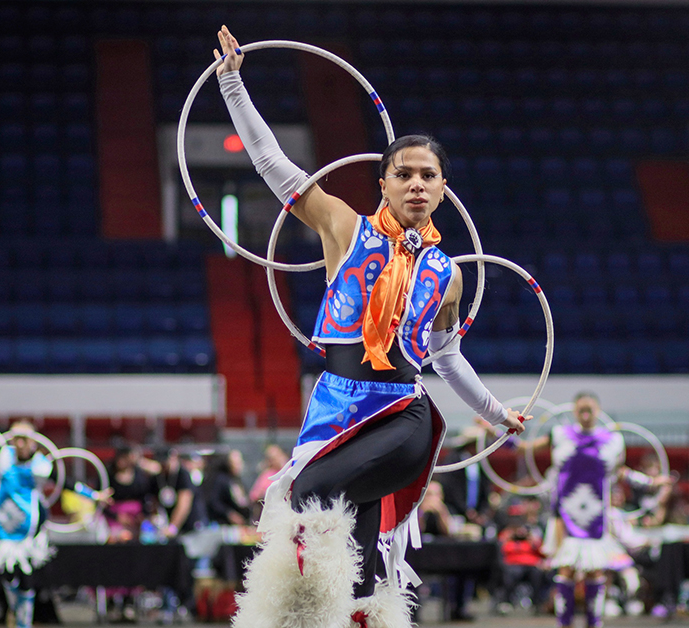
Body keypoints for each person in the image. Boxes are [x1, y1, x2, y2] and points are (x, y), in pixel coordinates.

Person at [213, 25, 528, 628]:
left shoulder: (449, 275)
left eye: (428, 175)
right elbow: (269, 162)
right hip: (333, 408)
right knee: (352, 556)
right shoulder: (344, 228)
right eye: (404, 173)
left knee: (308, 498)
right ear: (381, 182)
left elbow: (447, 359)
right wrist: (231, 82)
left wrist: (494, 414)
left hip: (402, 414)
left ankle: (294, 614)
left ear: (442, 189)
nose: (416, 183)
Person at [522, 393, 669, 628]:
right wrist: (496, 433)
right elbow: (524, 448)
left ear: (599, 411)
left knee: (595, 572)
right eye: (582, 409)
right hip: (565, 515)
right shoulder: (559, 435)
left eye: (590, 409)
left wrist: (651, 482)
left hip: (595, 517)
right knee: (566, 570)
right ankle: (565, 623)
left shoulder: (611, 440)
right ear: (574, 411)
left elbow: (621, 472)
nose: (586, 414)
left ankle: (594, 622)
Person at [0, 422, 54, 628]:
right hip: (5, 529)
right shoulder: (4, 458)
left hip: (27, 531)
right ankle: (15, 612)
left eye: (25, 438)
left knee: (26, 578)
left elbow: (66, 482)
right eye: (16, 438)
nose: (20, 443)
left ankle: (23, 622)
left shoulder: (40, 465)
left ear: (33, 442)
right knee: (8, 577)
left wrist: (94, 495)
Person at [205, 449, 252, 526]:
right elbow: (214, 502)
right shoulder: (221, 480)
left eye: (239, 463)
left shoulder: (238, 480)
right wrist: (229, 514)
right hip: (223, 524)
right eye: (235, 463)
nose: (238, 466)